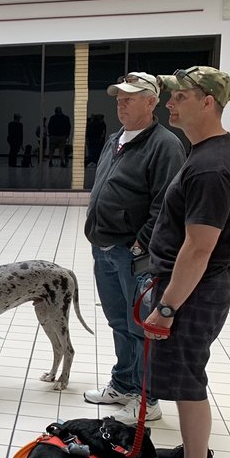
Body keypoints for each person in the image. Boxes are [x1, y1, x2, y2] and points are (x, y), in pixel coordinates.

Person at [144, 66, 230, 458]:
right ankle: (195, 452)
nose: (170, 103)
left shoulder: (211, 167)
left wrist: (167, 308)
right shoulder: (207, 152)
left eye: (180, 97)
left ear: (208, 102)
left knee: (187, 381)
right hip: (195, 285)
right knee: (186, 375)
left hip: (195, 290)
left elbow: (199, 248)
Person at [84, 72, 186, 426]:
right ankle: (124, 384)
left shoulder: (165, 145)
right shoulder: (115, 140)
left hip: (134, 253)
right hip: (104, 248)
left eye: (130, 98)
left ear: (151, 101)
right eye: (119, 98)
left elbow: (166, 205)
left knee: (141, 325)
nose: (121, 103)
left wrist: (141, 243)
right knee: (118, 321)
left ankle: (147, 399)